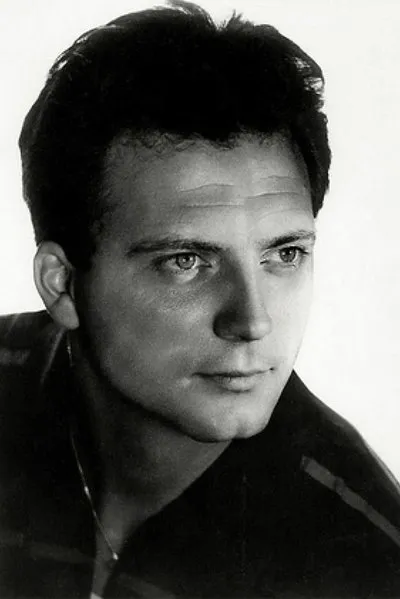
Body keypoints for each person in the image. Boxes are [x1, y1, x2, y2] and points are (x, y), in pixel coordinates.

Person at [1, 1, 399, 597]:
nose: (253, 321)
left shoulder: (363, 556)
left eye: (285, 254)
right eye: (186, 262)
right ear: (62, 283)